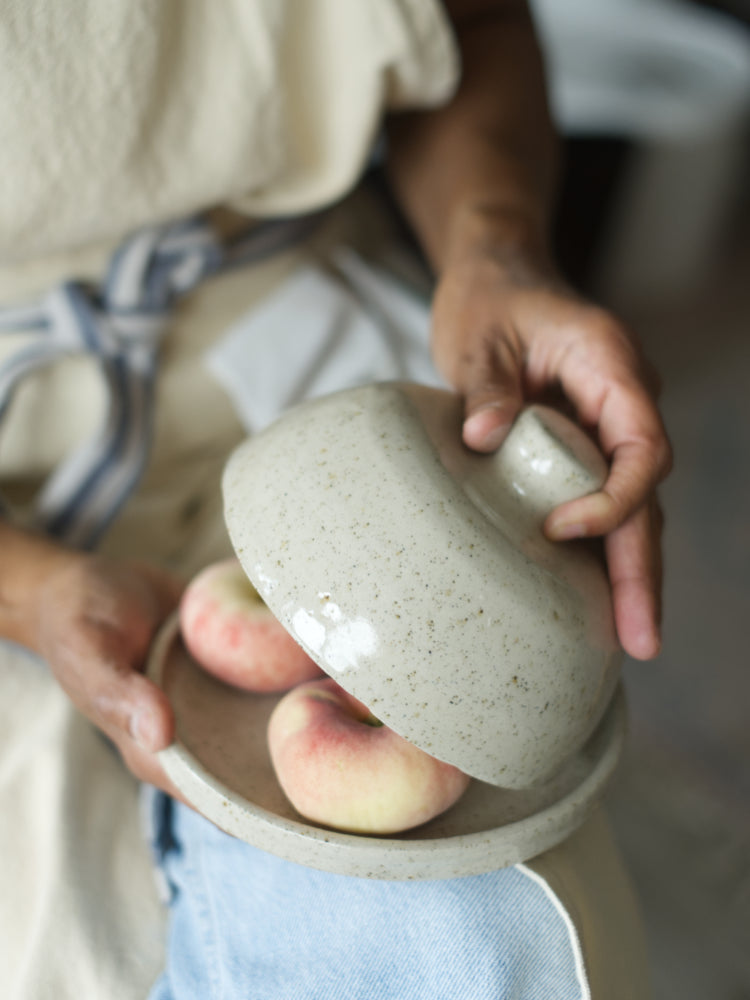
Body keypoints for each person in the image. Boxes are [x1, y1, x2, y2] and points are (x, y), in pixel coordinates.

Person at [0, 1, 671, 997]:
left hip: (333, 380)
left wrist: (495, 246)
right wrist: (34, 590)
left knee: (473, 924)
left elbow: (476, 22)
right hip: (28, 448)